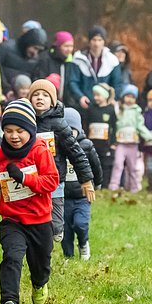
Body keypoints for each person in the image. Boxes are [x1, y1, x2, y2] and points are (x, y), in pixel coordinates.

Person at [0, 99, 60, 304]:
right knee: (12, 257)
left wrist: (24, 178)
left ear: (30, 130)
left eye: (20, 131)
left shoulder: (40, 151)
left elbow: (51, 182)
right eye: (8, 130)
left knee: (41, 265)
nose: (14, 136)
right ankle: (9, 303)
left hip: (40, 219)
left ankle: (39, 283)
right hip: (12, 220)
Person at [28, 79, 95, 242]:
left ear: (52, 101)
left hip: (55, 178)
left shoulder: (59, 124)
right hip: (31, 178)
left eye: (45, 95)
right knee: (35, 217)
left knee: (56, 223)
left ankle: (56, 230)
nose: (40, 98)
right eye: (36, 94)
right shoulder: (26, 122)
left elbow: (75, 152)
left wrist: (86, 180)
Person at [61, 108, 101, 260]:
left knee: (80, 224)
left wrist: (97, 183)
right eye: (65, 130)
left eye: (72, 130)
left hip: (82, 196)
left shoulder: (86, 145)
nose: (69, 134)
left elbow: (96, 166)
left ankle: (83, 243)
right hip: (63, 197)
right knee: (65, 230)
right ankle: (68, 256)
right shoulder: (57, 148)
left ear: (78, 129)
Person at [109, 84, 152, 192]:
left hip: (133, 143)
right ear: (123, 96)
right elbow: (114, 124)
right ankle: (114, 185)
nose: (130, 99)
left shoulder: (137, 111)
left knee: (132, 167)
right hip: (121, 143)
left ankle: (134, 187)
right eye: (128, 96)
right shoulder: (118, 108)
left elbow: (140, 126)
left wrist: (148, 136)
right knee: (118, 164)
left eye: (133, 97)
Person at [68, 26, 123, 112]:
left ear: (104, 41)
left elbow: (117, 83)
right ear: (89, 41)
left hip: (104, 106)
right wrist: (80, 97)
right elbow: (73, 81)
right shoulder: (79, 58)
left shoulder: (112, 60)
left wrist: (112, 99)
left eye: (100, 40)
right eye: (94, 40)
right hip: (84, 105)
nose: (97, 44)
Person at [0, 27, 47, 92]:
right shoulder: (5, 48)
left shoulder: (37, 60)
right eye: (35, 48)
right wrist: (6, 88)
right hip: (1, 91)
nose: (35, 53)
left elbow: (36, 78)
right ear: (27, 43)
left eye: (39, 50)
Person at [86, 83, 117, 189]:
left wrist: (113, 142)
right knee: (92, 163)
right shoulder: (91, 109)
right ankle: (93, 184)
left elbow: (114, 127)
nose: (95, 97)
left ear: (105, 96)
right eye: (94, 95)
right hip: (92, 143)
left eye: (98, 95)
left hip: (105, 144)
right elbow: (86, 125)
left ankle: (104, 185)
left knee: (105, 164)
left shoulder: (111, 110)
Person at [32, 31, 76, 102]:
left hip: (65, 103)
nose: (69, 49)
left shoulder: (71, 62)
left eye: (71, 46)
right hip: (46, 101)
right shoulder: (45, 59)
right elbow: (36, 79)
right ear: (58, 46)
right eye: (66, 46)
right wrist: (47, 81)